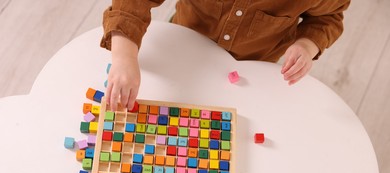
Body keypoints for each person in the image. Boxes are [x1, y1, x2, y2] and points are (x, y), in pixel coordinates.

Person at [100, 0, 350, 110]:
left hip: (252, 66)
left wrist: (307, 45)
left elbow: (328, 17)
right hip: (183, 43)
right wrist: (124, 58)